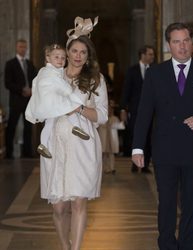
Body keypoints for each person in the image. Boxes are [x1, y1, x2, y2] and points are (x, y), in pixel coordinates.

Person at [132, 22, 193, 250]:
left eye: (186, 41)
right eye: (176, 42)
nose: (182, 46)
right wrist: (137, 148)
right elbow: (144, 113)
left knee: (191, 204)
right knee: (166, 203)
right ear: (169, 45)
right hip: (165, 150)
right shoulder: (156, 73)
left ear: (192, 43)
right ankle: (166, 245)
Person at [39, 16, 108, 250]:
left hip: (83, 145)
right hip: (54, 144)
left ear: (88, 57)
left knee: (79, 202)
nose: (78, 56)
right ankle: (65, 246)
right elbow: (39, 105)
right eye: (75, 51)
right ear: (67, 52)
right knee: (59, 207)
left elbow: (102, 115)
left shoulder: (96, 80)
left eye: (83, 52)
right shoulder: (51, 77)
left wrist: (78, 107)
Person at [25, 43, 90, 158]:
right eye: (56, 57)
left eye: (63, 58)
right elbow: (60, 85)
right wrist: (70, 91)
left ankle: (43, 145)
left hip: (46, 101)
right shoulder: (51, 72)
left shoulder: (43, 70)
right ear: (48, 58)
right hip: (51, 101)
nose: (60, 60)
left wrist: (37, 95)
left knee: (49, 124)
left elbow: (35, 82)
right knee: (71, 106)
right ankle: (77, 127)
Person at [120, 45, 155, 173]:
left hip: (152, 111)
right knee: (135, 136)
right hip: (135, 110)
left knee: (149, 136)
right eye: (150, 54)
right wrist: (123, 108)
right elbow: (126, 90)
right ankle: (135, 163)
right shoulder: (132, 70)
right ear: (143, 55)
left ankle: (145, 165)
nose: (153, 57)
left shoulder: (155, 70)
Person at [4, 39, 37, 158]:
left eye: (24, 47)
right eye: (20, 47)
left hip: (29, 100)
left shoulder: (29, 63)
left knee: (28, 127)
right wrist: (22, 89)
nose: (23, 49)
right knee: (12, 126)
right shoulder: (10, 64)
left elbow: (35, 79)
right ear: (16, 48)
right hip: (16, 100)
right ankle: (9, 153)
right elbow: (7, 83)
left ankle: (27, 153)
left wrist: (32, 90)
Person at [98, 99, 125, 174]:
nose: (109, 111)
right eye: (108, 109)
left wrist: (123, 120)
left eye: (110, 110)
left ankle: (112, 168)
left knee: (111, 155)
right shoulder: (102, 118)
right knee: (103, 155)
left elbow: (121, 126)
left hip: (111, 140)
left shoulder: (114, 118)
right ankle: (104, 169)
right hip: (103, 139)